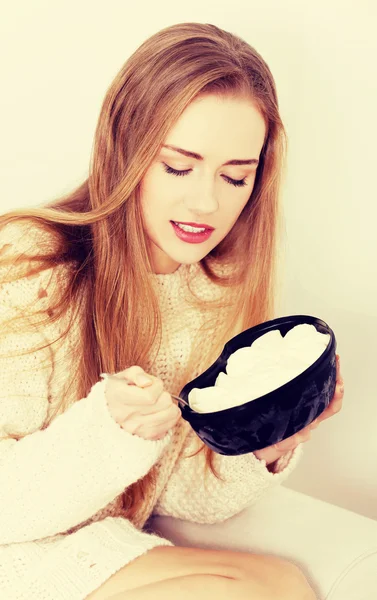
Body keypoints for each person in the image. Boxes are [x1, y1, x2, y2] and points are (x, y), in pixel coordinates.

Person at [0, 21, 344, 600]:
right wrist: (107, 431)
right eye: (178, 167)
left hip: (91, 540)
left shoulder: (211, 288)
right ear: (126, 151)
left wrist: (264, 444)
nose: (207, 202)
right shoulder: (30, 263)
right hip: (13, 545)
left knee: (286, 584)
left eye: (235, 176)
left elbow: (180, 493)